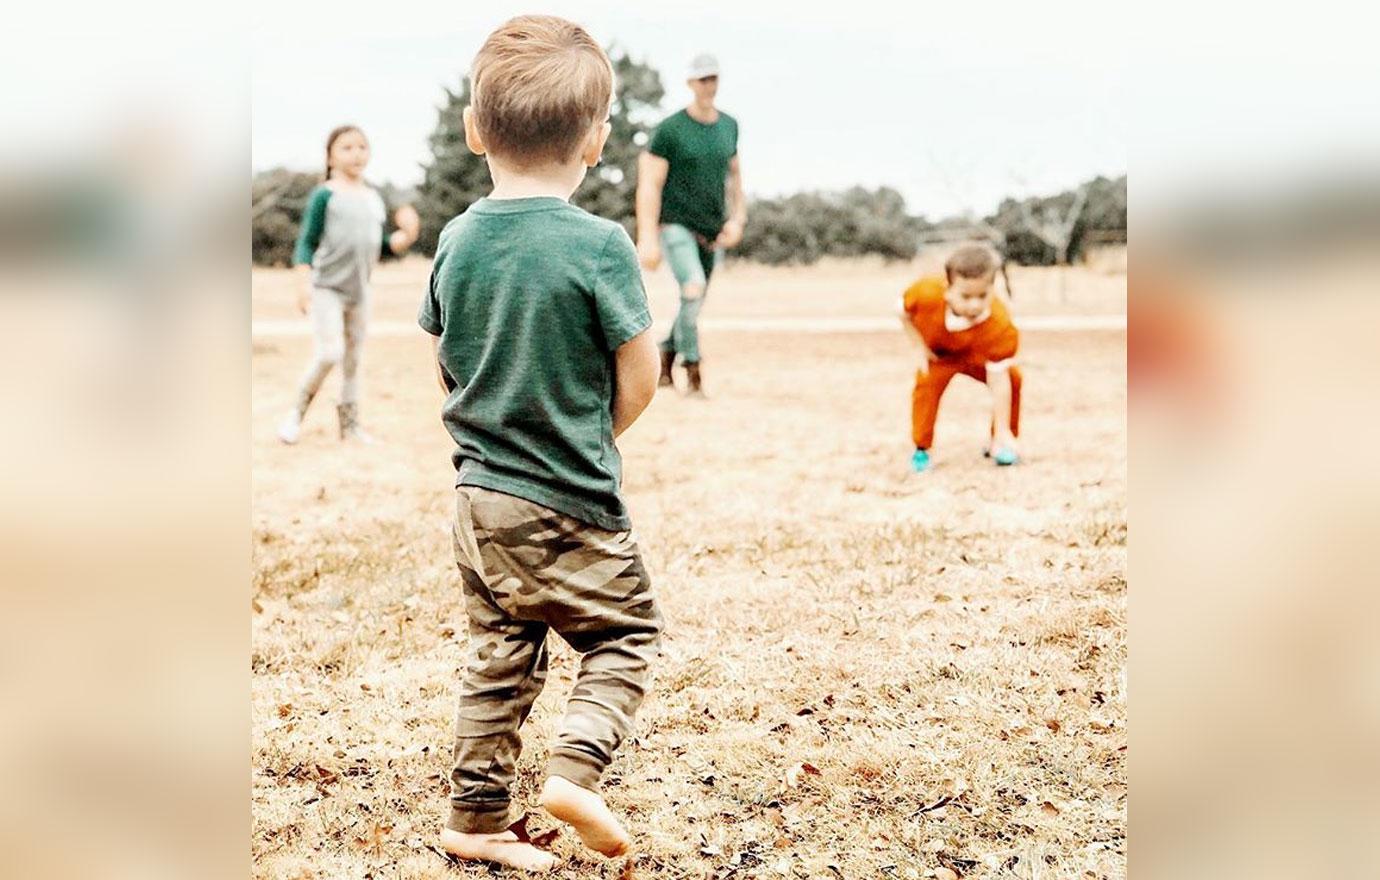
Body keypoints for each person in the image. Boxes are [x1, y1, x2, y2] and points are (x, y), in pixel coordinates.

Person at [417, 15, 663, 873]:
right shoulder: (601, 245)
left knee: (501, 653)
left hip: (477, 497)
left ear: (474, 129)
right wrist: (589, 438)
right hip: (570, 496)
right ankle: (575, 774)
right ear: (597, 141)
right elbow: (640, 372)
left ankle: (475, 821)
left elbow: (447, 362)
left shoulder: (456, 239)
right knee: (623, 634)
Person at [277, 124, 419, 445]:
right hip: (326, 288)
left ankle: (350, 428)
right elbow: (306, 243)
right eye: (347, 148)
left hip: (360, 292)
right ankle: (295, 417)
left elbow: (380, 246)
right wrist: (302, 284)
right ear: (330, 155)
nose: (356, 154)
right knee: (330, 353)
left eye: (362, 147)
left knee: (353, 360)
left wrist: (407, 235)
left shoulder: (373, 198)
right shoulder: (325, 195)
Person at [635, 52, 746, 396]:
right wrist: (647, 237)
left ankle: (666, 356)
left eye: (713, 78)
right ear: (690, 83)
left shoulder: (729, 126)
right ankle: (693, 372)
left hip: (712, 229)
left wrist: (737, 219)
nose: (709, 85)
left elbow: (736, 180)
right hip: (676, 225)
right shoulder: (670, 130)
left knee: (692, 303)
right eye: (702, 79)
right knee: (693, 286)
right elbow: (649, 184)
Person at [900, 243, 1023, 471]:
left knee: (1012, 378)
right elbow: (903, 312)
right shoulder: (925, 293)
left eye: (982, 295)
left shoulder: (1000, 325)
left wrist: (1003, 428)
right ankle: (922, 449)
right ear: (948, 287)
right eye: (966, 296)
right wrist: (918, 347)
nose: (974, 304)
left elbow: (998, 381)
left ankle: (1001, 440)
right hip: (940, 355)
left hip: (977, 356)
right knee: (925, 383)